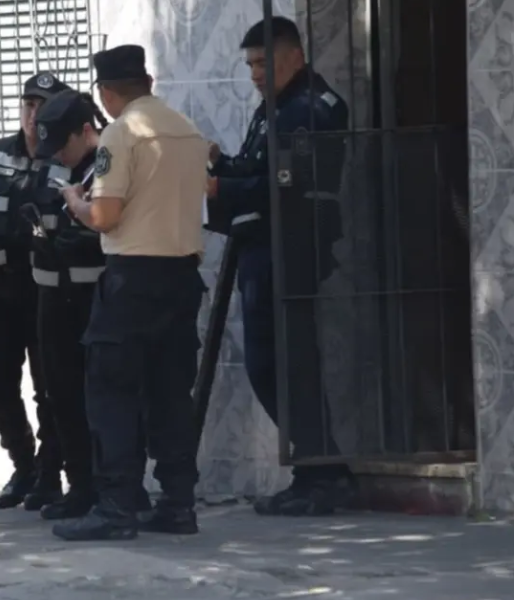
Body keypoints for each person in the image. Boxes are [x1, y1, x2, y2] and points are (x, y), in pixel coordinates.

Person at [52, 45, 208, 542]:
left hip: (132, 278)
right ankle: (178, 503)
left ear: (108, 93)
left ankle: (117, 507)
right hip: (182, 277)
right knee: (170, 393)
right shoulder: (187, 129)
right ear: (148, 81)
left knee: (111, 393)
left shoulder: (120, 135)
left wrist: (77, 203)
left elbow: (105, 217)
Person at [207, 17, 353, 516]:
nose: (254, 74)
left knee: (285, 366)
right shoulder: (276, 109)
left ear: (294, 56)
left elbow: (286, 185)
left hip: (289, 247)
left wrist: (219, 190)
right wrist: (221, 165)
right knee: (276, 365)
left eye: (263, 62)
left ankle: (323, 474)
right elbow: (257, 169)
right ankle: (318, 469)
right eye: (249, 64)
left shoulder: (309, 109)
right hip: (265, 246)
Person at [0, 72, 66, 512]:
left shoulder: (65, 158)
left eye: (43, 105)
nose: (33, 113)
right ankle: (24, 464)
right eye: (28, 103)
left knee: (50, 386)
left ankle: (50, 474)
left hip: (48, 291)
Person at [24, 89, 107, 521]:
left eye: (64, 144)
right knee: (61, 396)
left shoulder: (108, 160)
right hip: (53, 297)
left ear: (85, 130)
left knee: (102, 399)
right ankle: (80, 485)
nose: (59, 155)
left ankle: (108, 487)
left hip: (96, 300)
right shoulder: (57, 162)